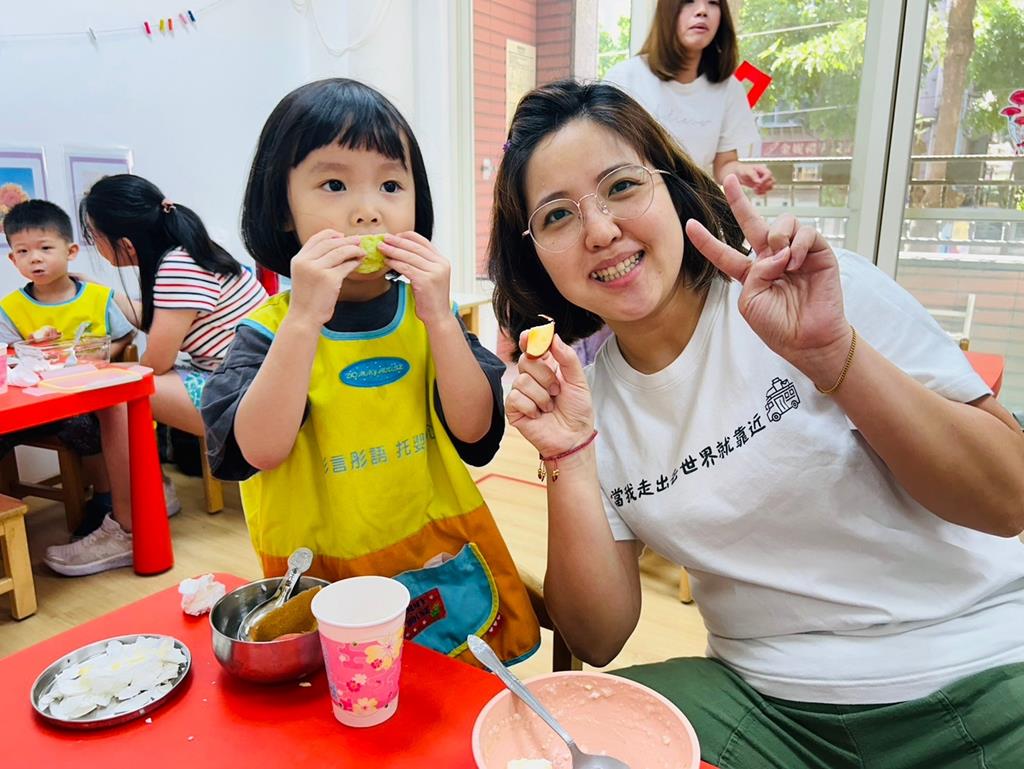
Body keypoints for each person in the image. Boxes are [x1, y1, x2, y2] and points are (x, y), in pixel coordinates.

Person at [488, 79, 1024, 768]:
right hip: (766, 706)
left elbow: (1007, 498)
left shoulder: (817, 293)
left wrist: (836, 358)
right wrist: (570, 455)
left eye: (621, 186)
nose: (599, 231)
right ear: (535, 253)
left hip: (980, 666)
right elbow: (598, 636)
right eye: (558, 215)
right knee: (555, 738)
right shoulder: (592, 403)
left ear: (673, 188)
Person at [201, 78, 539, 666]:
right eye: (334, 185)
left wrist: (441, 318)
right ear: (282, 209)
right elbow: (258, 450)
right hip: (323, 576)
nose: (368, 209)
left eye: (391, 185)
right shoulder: (270, 331)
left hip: (435, 558)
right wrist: (304, 318)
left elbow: (475, 431)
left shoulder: (430, 318)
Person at [41, 175, 268, 576]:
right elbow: (161, 318)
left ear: (125, 242)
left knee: (118, 392)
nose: (97, 247)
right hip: (243, 380)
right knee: (121, 382)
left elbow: (156, 362)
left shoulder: (178, 267)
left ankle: (128, 528)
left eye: (96, 237)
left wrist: (99, 369)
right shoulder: (187, 255)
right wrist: (100, 293)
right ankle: (152, 495)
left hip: (240, 393)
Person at [1, 199, 135, 537]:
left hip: (85, 402)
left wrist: (99, 357)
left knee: (82, 427)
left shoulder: (97, 298)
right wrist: (31, 345)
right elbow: (8, 355)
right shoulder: (11, 307)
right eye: (23, 251)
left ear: (70, 251)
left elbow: (124, 335)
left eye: (45, 248)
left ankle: (104, 497)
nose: (35, 258)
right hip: (34, 403)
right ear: (12, 259)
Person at [605, 0, 774, 195]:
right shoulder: (624, 78)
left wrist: (743, 172)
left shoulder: (729, 88)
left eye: (713, 2)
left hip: (692, 206)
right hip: (634, 203)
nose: (702, 11)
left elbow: (724, 164)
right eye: (689, 1)